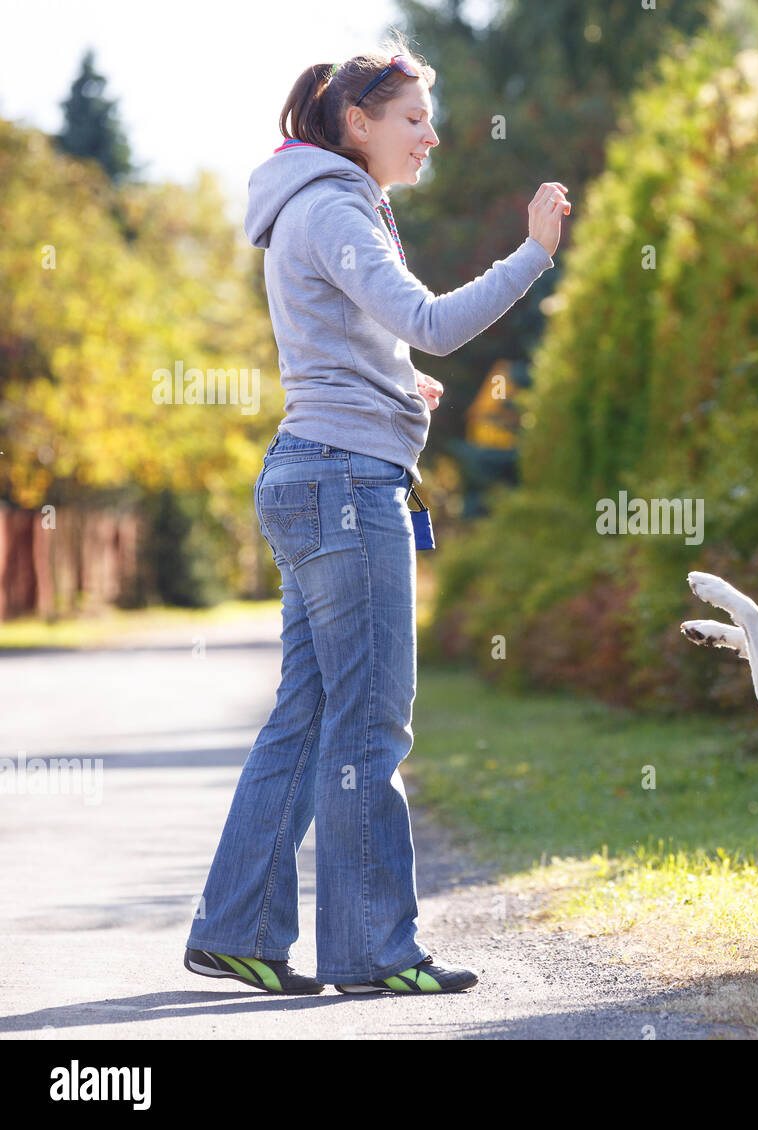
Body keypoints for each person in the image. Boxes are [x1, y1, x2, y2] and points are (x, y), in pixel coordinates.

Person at [184, 35, 570, 995]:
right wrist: (533, 255)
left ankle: (238, 930)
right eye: (413, 118)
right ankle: (371, 949)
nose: (431, 136)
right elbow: (432, 323)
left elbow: (354, 348)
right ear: (356, 123)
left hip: (323, 474)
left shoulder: (319, 205)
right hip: (344, 488)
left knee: (310, 719)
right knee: (368, 726)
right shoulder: (334, 208)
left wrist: (403, 395)